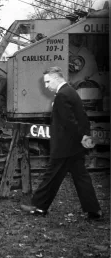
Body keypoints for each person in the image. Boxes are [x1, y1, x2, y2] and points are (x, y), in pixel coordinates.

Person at [20, 66, 102, 220]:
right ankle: (94, 211)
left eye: (48, 81)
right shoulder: (71, 92)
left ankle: (38, 206)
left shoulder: (62, 95)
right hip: (74, 146)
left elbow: (69, 122)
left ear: (57, 78)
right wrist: (84, 136)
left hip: (65, 146)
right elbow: (82, 117)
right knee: (81, 177)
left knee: (51, 176)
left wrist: (82, 137)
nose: (46, 85)